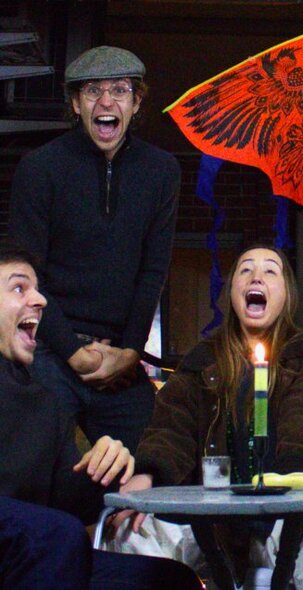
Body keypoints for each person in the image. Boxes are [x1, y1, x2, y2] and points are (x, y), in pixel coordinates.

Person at [112, 246, 303, 588]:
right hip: (212, 516)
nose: (256, 276)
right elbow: (173, 424)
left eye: (270, 271)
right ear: (231, 293)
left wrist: (295, 488)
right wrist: (150, 474)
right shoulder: (204, 357)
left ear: (287, 295)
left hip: (290, 503)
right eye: (245, 270)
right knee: (131, 531)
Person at [9, 46, 180, 452]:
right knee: (36, 468)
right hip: (50, 349)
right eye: (92, 91)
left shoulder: (162, 171)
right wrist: (72, 351)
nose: (106, 101)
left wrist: (129, 351)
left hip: (119, 356)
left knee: (151, 463)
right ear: (75, 103)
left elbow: (153, 270)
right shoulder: (39, 168)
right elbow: (27, 276)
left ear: (136, 103)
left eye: (120, 90)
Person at [0, 245, 201, 590]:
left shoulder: (47, 402)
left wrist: (106, 467)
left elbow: (68, 503)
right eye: (19, 288)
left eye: (37, 288)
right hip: (35, 543)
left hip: (34, 552)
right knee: (59, 537)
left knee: (169, 579)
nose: (40, 300)